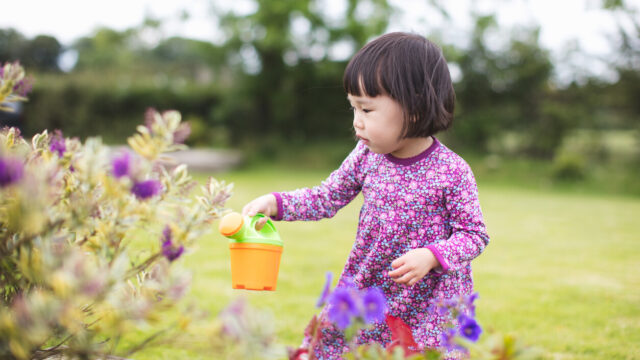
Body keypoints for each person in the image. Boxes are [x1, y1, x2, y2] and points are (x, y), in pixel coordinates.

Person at [242, 32, 490, 358]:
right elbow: (327, 196)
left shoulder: (452, 171)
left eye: (367, 110)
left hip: (429, 299)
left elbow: (474, 235)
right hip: (370, 285)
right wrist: (277, 203)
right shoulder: (366, 156)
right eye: (353, 108)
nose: (357, 123)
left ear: (414, 107)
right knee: (339, 345)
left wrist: (432, 256)